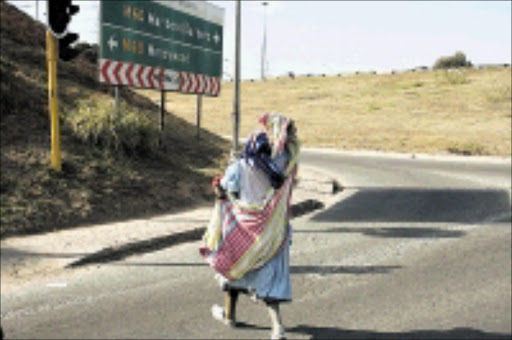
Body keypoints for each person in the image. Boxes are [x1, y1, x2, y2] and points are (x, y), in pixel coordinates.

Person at [200, 113, 299, 340]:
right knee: (270, 279)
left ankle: (231, 316)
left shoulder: (240, 166)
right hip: (272, 232)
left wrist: (218, 183)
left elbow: (223, 189)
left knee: (234, 269)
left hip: (243, 229)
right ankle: (276, 328)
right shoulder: (285, 163)